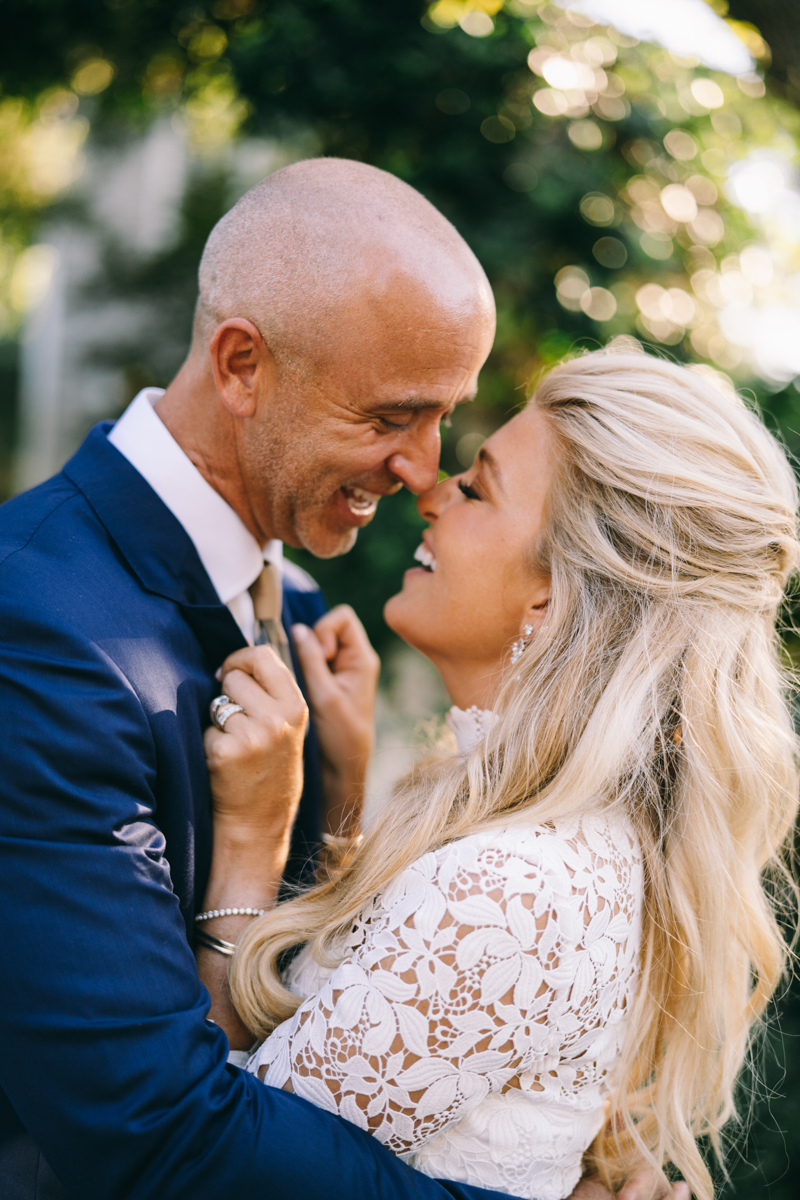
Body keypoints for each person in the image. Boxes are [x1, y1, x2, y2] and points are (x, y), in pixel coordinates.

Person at [0, 160, 658, 1199]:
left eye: (444, 417)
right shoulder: (34, 621)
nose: (423, 471)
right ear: (241, 364)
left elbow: (322, 1014)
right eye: (391, 416)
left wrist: (340, 800)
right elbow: (144, 1133)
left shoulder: (301, 614)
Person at [196, 349, 799, 1200]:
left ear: (551, 598)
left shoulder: (511, 889)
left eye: (477, 489)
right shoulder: (557, 842)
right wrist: (344, 786)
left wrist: (250, 839)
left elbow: (218, 1166)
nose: (432, 493)